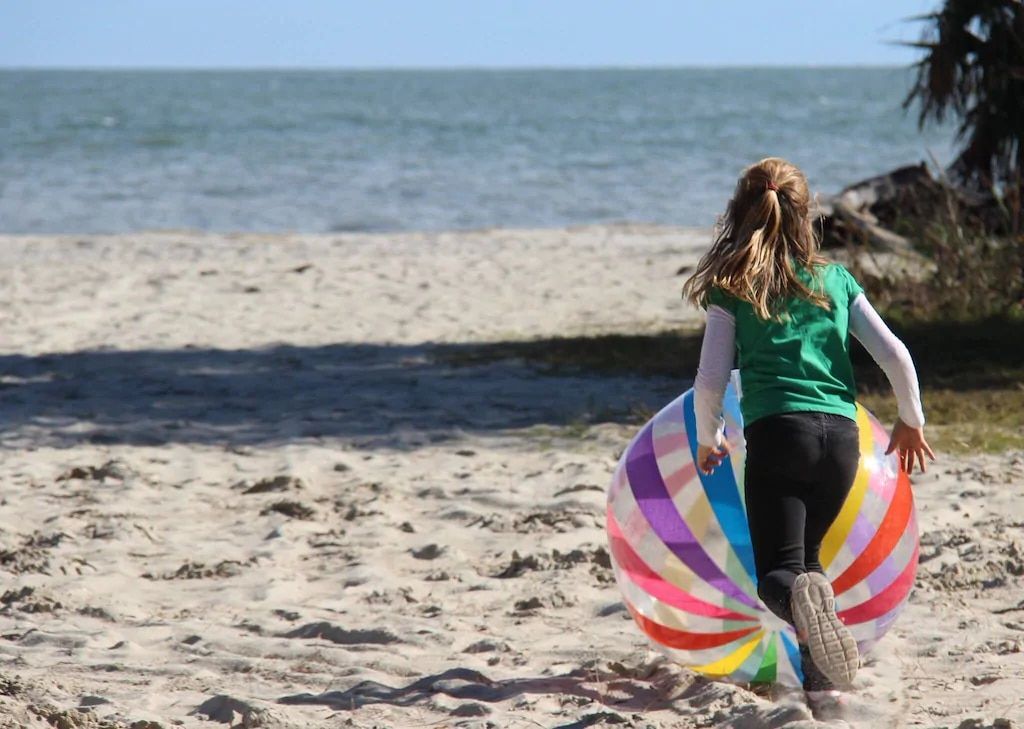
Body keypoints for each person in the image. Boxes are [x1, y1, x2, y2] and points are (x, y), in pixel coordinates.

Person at [681, 158, 934, 706]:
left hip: (780, 436)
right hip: (844, 440)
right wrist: (911, 420)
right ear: (805, 215)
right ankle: (821, 692)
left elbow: (709, 380)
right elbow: (896, 356)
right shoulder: (836, 279)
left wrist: (709, 436)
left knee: (780, 574)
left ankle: (799, 602)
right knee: (810, 564)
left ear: (738, 213)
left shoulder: (734, 287)